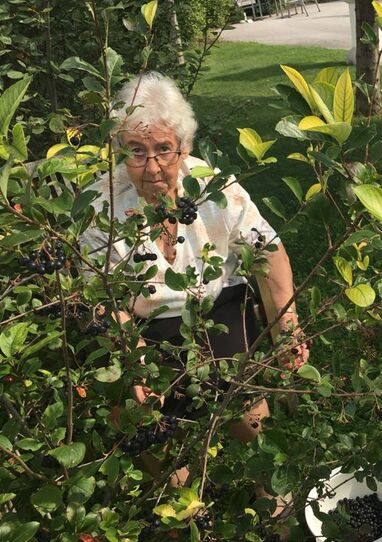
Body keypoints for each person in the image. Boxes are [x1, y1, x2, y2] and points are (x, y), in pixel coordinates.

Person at [81, 72, 309, 481]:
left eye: (164, 149)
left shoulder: (211, 187)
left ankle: (269, 488)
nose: (152, 167)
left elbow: (266, 248)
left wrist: (286, 326)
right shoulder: (101, 206)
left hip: (216, 306)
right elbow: (105, 299)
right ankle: (182, 505)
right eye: (136, 151)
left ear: (184, 148)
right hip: (142, 326)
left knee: (245, 407)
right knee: (148, 424)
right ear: (120, 151)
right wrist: (133, 362)